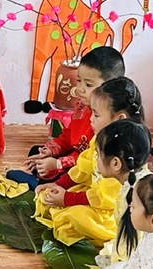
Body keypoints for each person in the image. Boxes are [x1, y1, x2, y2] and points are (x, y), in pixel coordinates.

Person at [35, 120, 153, 251]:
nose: (95, 159)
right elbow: (82, 171)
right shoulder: (121, 170)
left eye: (98, 155)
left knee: (75, 216)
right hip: (101, 205)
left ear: (115, 164)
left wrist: (66, 199)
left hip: (109, 219)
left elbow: (103, 202)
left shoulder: (130, 192)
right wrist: (59, 186)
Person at [20, 46, 125, 185]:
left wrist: (57, 164)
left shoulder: (107, 119)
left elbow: (91, 160)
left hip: (88, 168)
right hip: (74, 156)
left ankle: (40, 183)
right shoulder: (82, 105)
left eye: (88, 85)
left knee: (64, 175)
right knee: (36, 152)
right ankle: (41, 180)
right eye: (79, 80)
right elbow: (69, 135)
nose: (80, 89)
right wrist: (51, 151)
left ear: (110, 87)